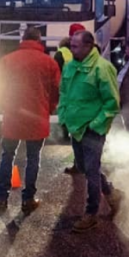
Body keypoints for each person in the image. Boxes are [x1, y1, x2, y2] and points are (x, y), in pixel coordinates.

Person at [58, 30, 123, 233]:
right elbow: (64, 94)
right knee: (85, 167)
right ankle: (112, 193)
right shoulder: (70, 66)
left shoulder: (103, 69)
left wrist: (96, 125)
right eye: (71, 45)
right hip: (75, 128)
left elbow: (112, 103)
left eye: (75, 46)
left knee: (91, 171)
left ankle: (91, 213)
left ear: (88, 46)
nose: (71, 48)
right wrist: (63, 118)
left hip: (92, 129)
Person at [0, 27, 60, 214]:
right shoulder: (49, 62)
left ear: (23, 39)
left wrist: (4, 105)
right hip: (37, 117)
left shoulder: (7, 60)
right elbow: (56, 90)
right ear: (39, 41)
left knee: (7, 155)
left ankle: (2, 198)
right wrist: (49, 108)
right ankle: (28, 199)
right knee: (33, 158)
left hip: (13, 116)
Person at [55, 23, 85, 168]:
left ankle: (79, 165)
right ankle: (81, 165)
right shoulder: (92, 50)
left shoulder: (62, 52)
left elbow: (56, 74)